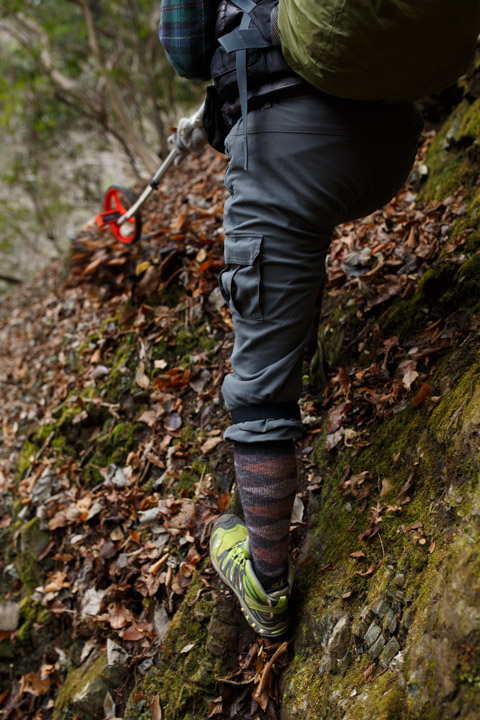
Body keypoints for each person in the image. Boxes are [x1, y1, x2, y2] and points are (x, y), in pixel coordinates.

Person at [161, 0, 424, 638]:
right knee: (296, 238)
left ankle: (266, 584)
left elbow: (185, 49)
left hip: (294, 142)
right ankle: (293, 308)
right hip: (392, 140)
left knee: (257, 391)